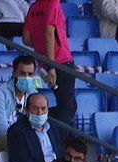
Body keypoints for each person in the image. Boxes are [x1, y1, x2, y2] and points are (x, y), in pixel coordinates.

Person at [23, 0, 76, 128]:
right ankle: (52, 137)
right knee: (67, 108)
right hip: (60, 61)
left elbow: (26, 39)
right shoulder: (53, 3)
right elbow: (49, 32)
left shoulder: (34, 7)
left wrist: (42, 48)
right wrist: (52, 66)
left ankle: (39, 125)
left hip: (44, 63)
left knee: (68, 105)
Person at [0, 55, 40, 155]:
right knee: (19, 142)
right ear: (14, 73)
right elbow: (1, 127)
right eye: (22, 74)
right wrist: (25, 137)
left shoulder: (33, 94)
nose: (26, 77)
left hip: (21, 135)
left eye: (30, 74)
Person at [7, 92, 63, 162]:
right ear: (27, 110)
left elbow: (60, 153)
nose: (39, 113)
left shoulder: (53, 127)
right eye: (35, 108)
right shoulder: (16, 131)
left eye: (43, 108)